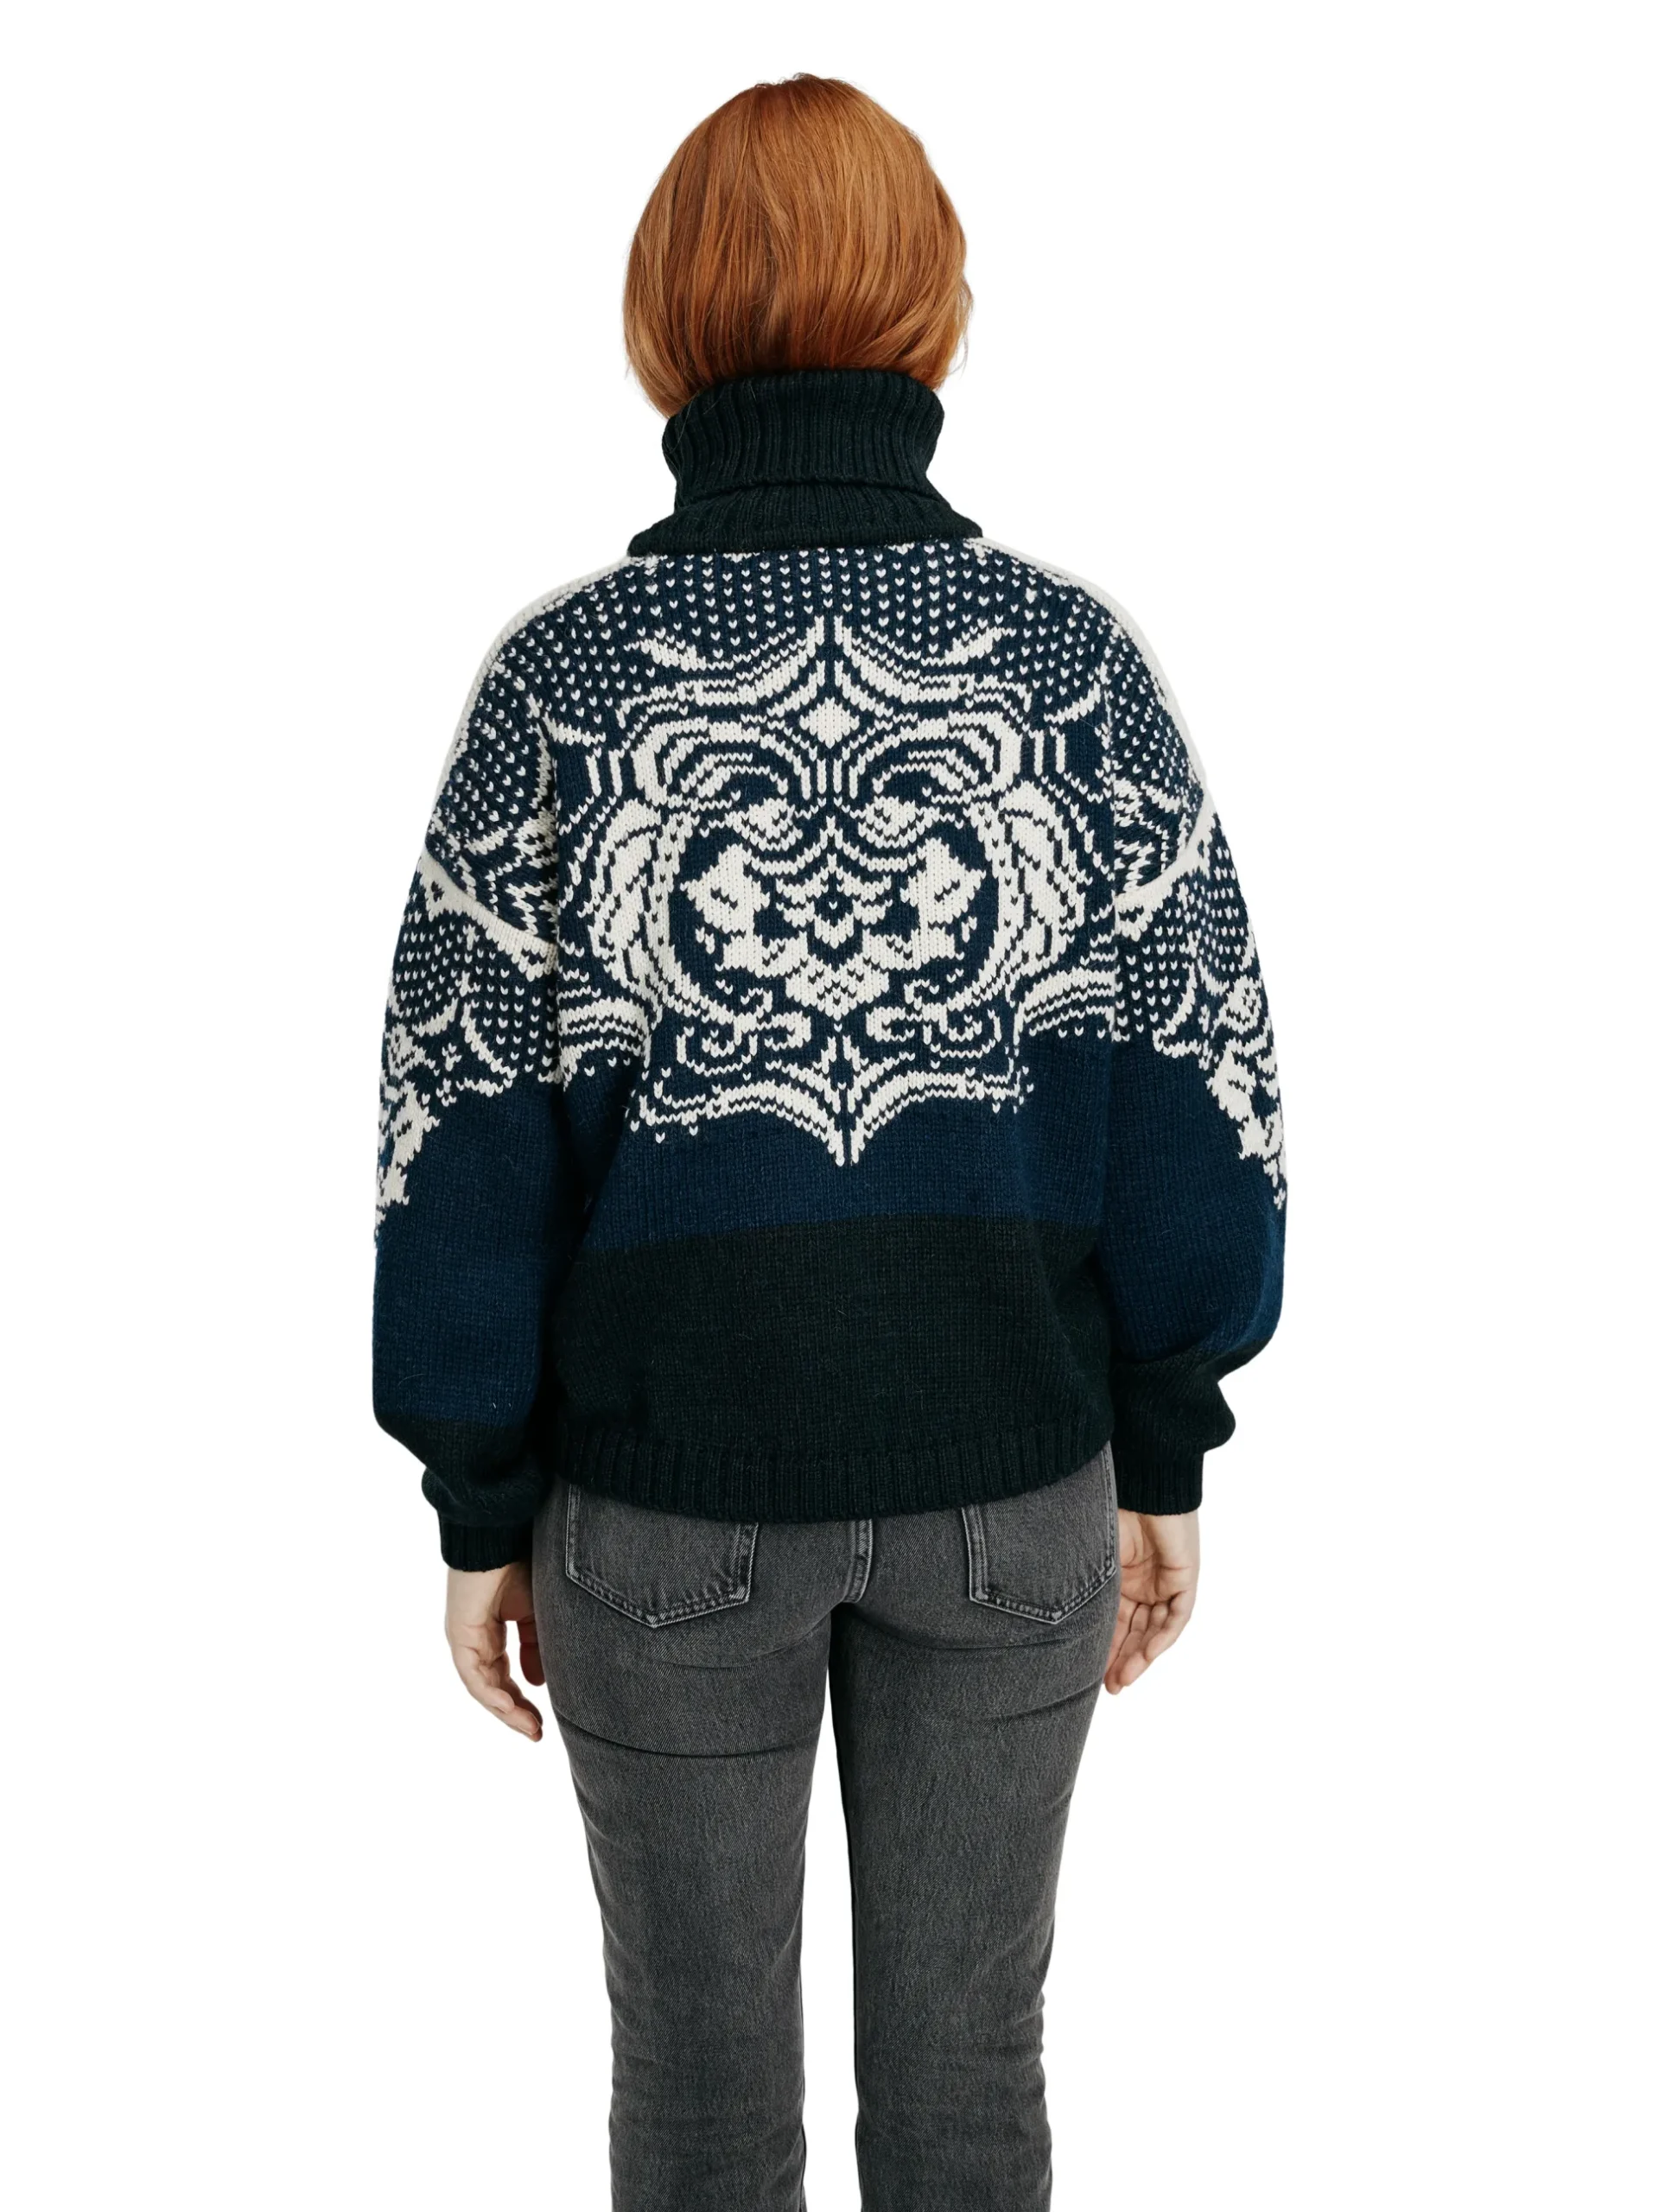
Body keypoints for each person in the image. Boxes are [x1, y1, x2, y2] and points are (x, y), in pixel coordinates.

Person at [372, 73, 1285, 2212]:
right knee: (972, 2083)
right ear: (932, 308)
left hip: (658, 1513)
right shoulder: (1071, 669)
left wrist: (478, 1497)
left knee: (698, 2104)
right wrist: (1163, 1445)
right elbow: (1202, 1086)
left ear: (665, 316)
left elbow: (459, 1130)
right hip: (1015, 1489)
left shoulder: (563, 687)